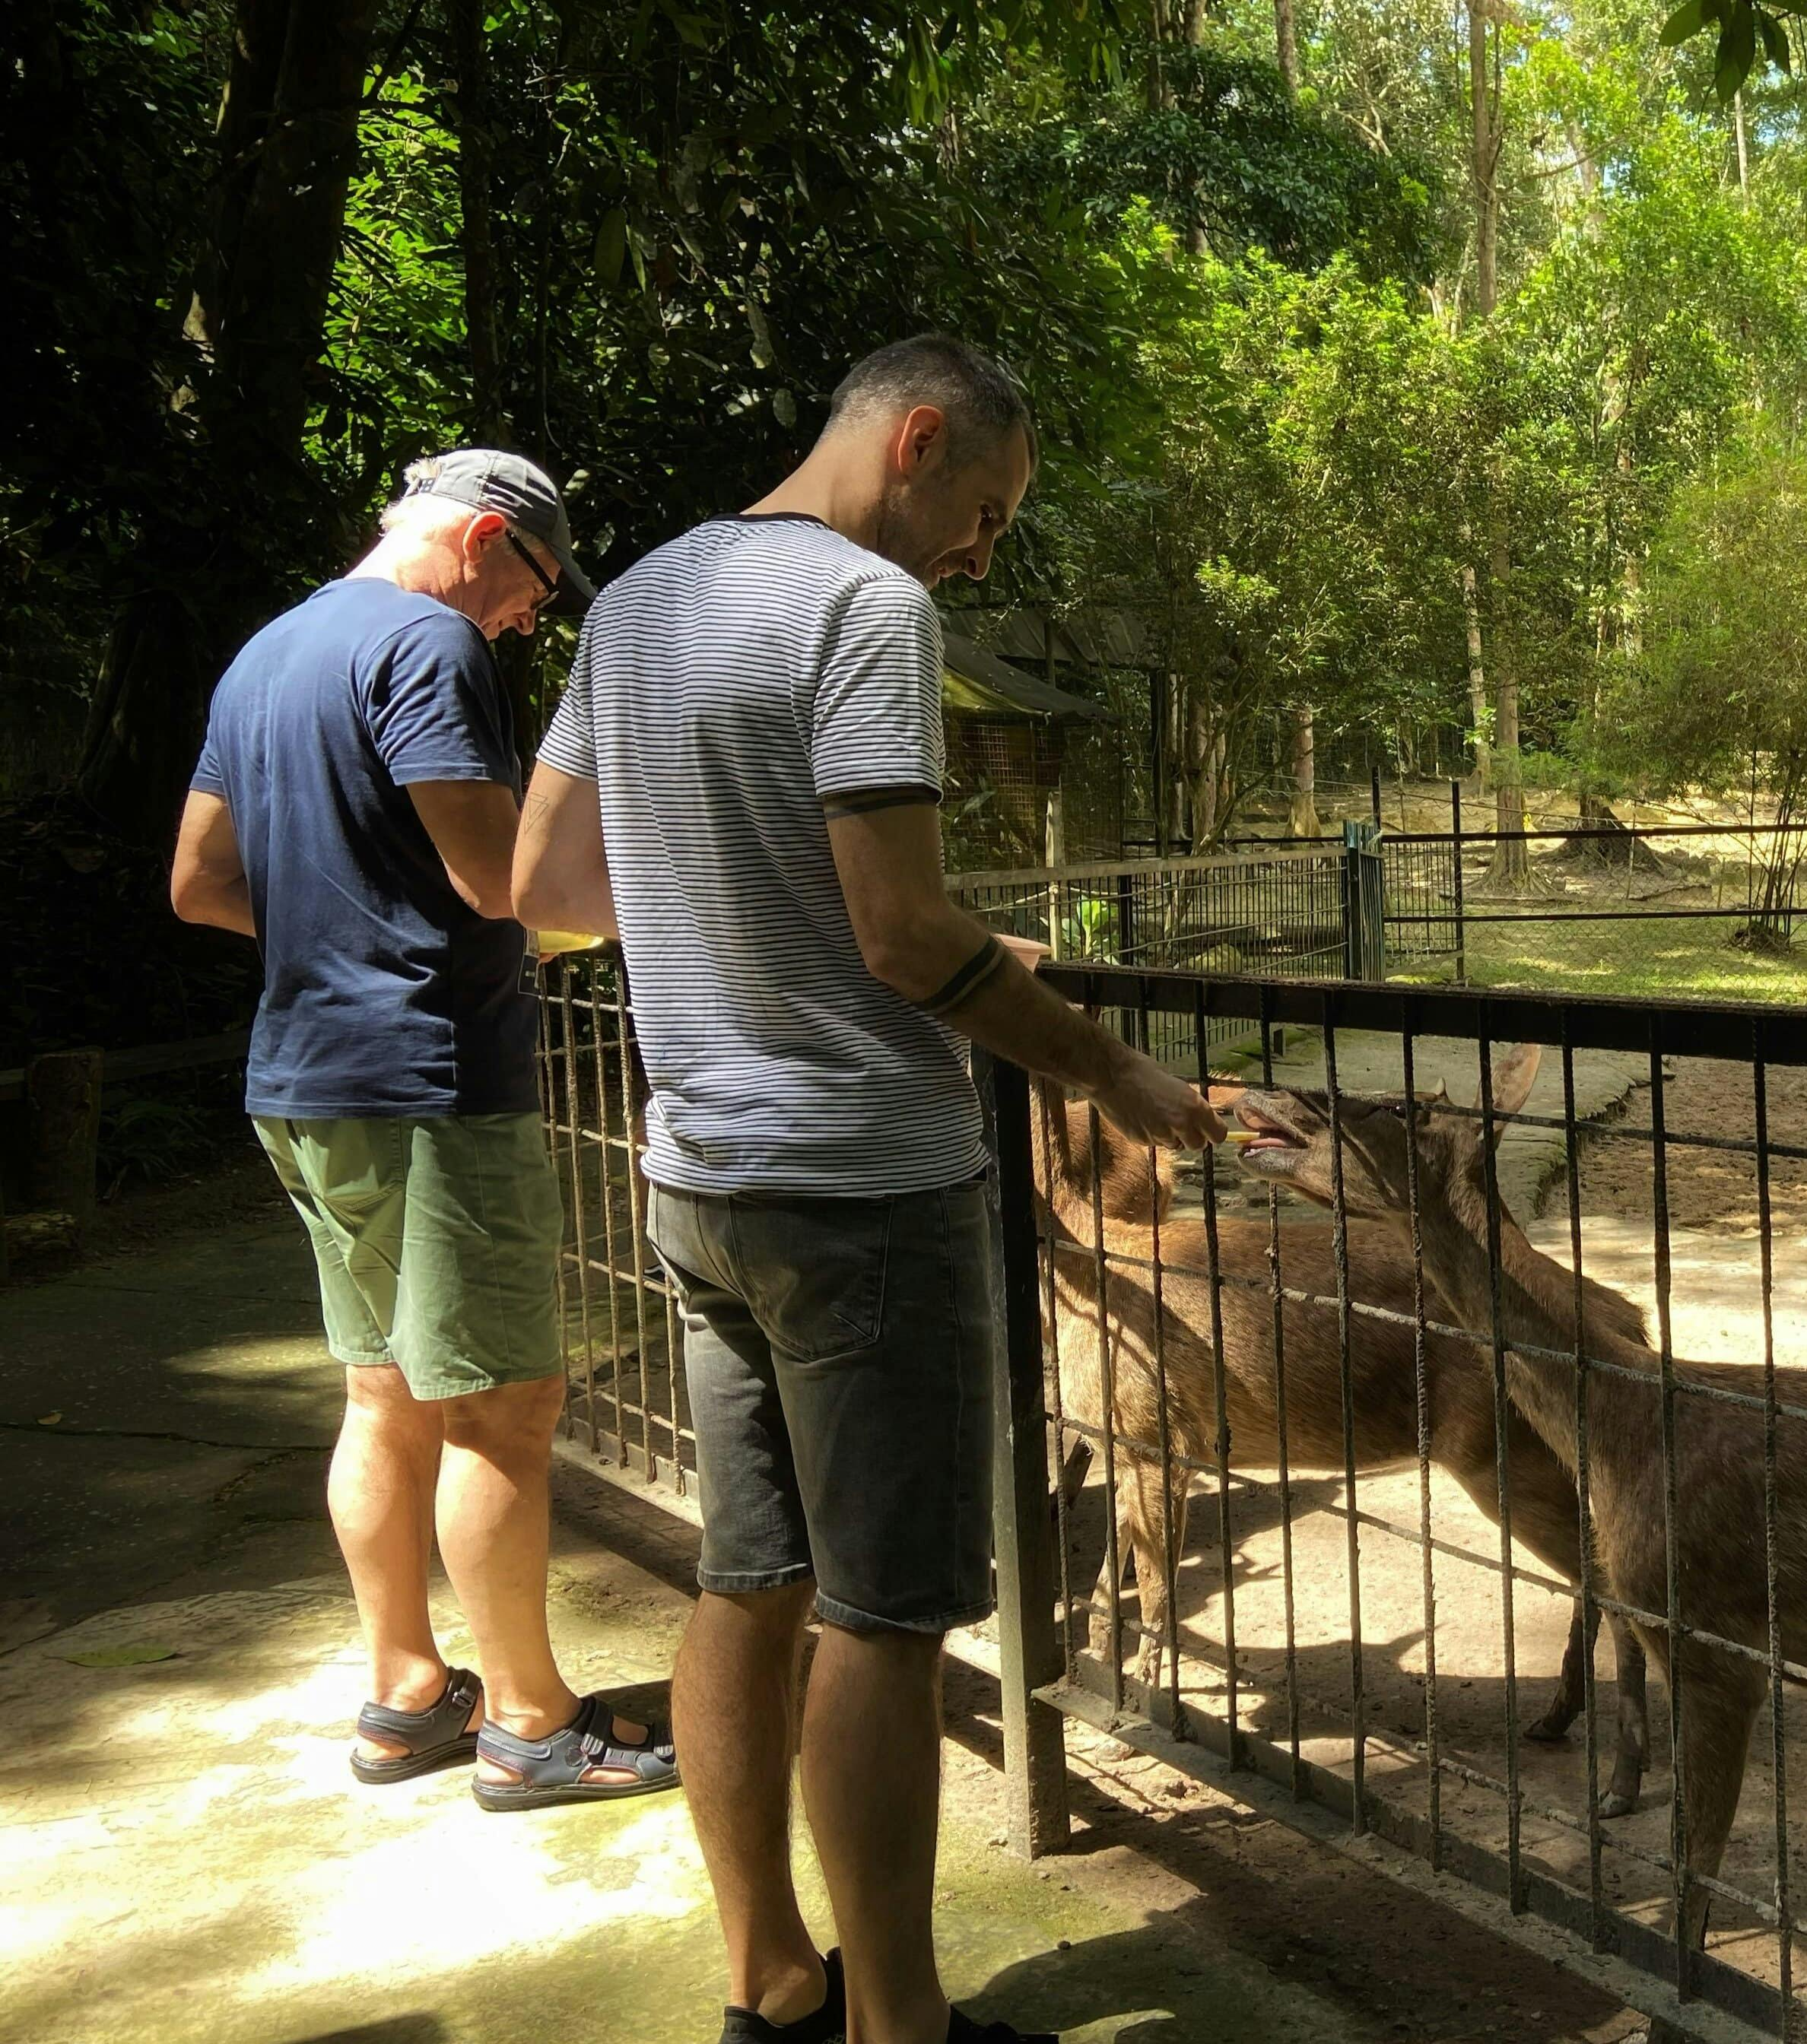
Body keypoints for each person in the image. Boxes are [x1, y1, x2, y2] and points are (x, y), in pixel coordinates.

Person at [511, 334, 1222, 2044]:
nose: (982, 553)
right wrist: (1112, 1071)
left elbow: (546, 882)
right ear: (915, 441)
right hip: (861, 1190)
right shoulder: (865, 608)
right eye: (987, 510)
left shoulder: (636, 600)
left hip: (702, 1182)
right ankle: (899, 2025)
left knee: (743, 1583)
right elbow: (901, 933)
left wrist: (755, 923)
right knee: (885, 1621)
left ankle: (771, 1987)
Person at [168, 449, 681, 1812]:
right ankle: (529, 1724)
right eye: (537, 586)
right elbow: (499, 880)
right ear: (484, 537)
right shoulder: (428, 640)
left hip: (301, 1078)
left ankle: (405, 1694)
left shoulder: (265, 655)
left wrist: (339, 938)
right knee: (504, 1407)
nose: (526, 618)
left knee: (384, 1392)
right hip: (431, 1083)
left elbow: (199, 883)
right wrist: (649, 911)